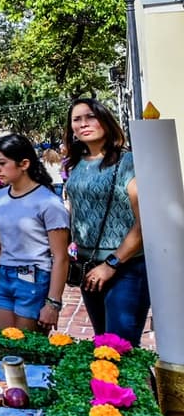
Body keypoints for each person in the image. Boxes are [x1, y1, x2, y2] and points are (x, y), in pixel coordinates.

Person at [63, 98, 150, 346]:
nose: (83, 124)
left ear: (105, 120)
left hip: (125, 267)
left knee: (120, 346)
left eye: (90, 116)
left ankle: (130, 386)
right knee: (103, 342)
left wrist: (112, 263)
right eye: (76, 120)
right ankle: (107, 386)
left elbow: (144, 221)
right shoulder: (77, 163)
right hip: (88, 265)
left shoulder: (127, 162)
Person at [0, 134, 70, 332]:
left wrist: (53, 303)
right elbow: (0, 241)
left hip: (34, 277)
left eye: (1, 163)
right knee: (2, 344)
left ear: (24, 164)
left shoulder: (48, 202)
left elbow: (61, 256)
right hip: (5, 277)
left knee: (26, 349)